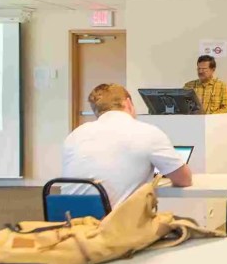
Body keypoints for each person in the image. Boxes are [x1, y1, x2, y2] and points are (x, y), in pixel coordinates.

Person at [62, 83, 193, 207]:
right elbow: (184, 179)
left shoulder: (75, 135)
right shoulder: (147, 132)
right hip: (116, 226)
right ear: (128, 103)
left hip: (69, 225)